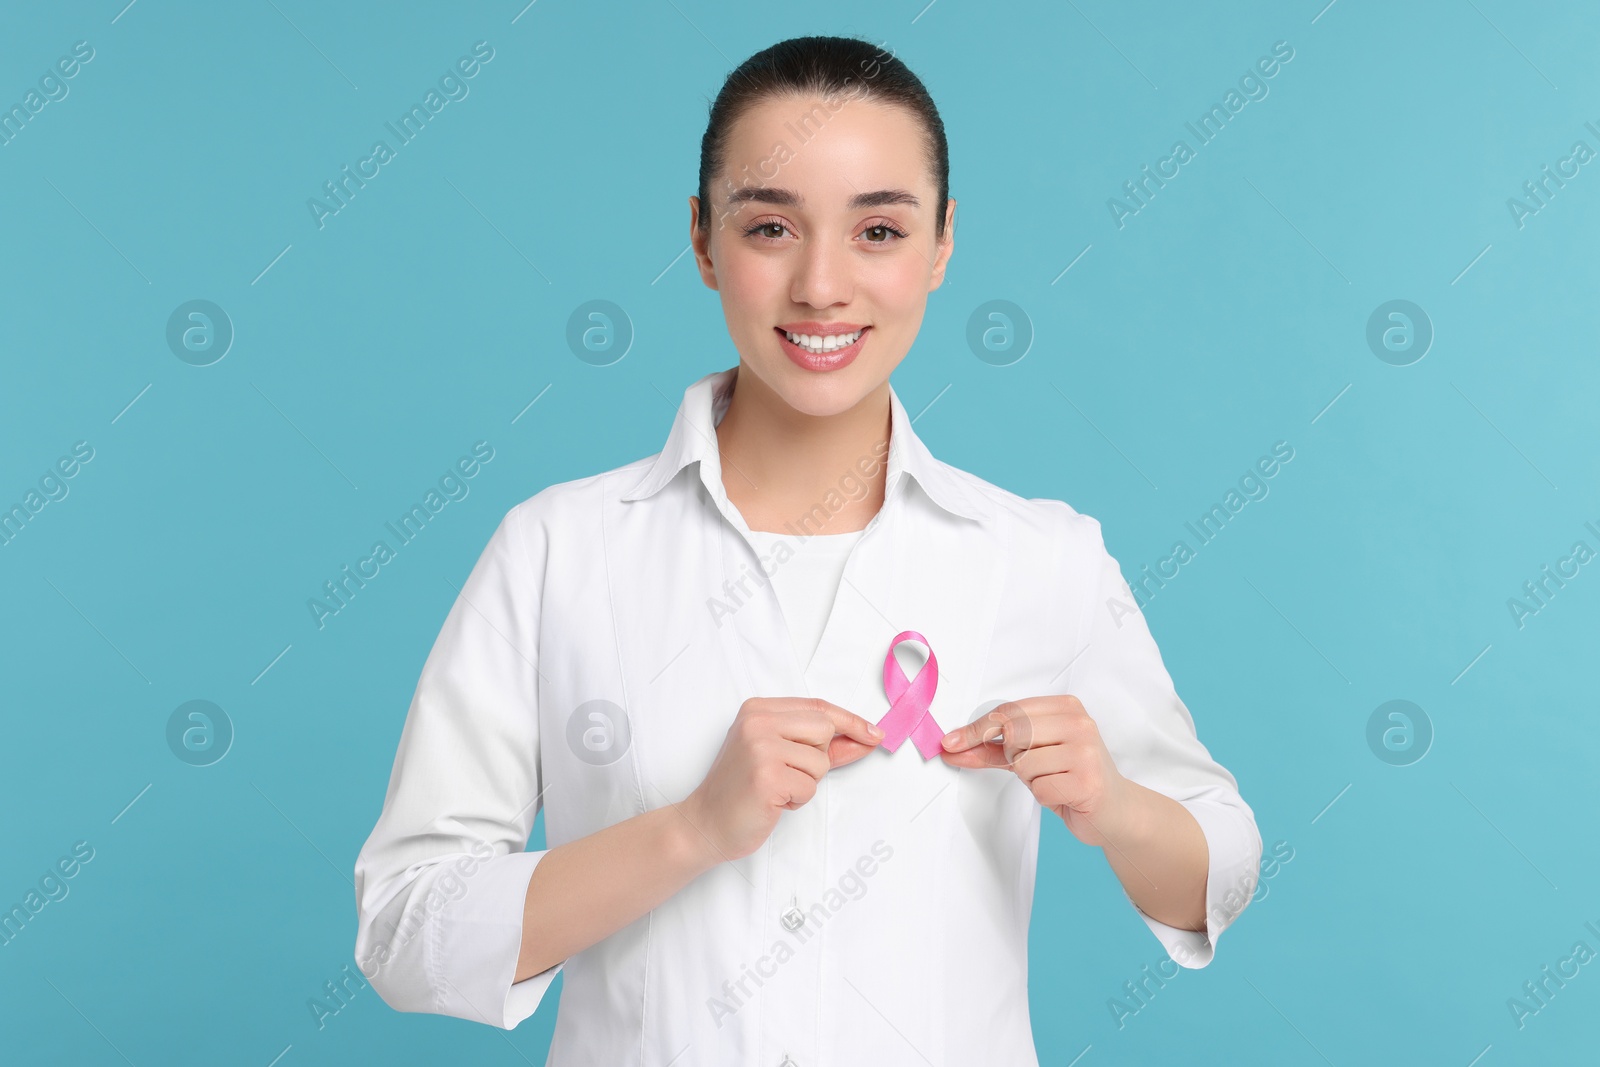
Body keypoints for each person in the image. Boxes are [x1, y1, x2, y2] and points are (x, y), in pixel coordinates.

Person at [353, 34, 1261, 1066]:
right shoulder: (560, 549)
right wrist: (689, 830)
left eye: (878, 228)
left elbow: (1219, 870)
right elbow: (403, 929)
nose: (822, 285)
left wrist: (1116, 804)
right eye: (771, 226)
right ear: (700, 241)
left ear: (942, 245)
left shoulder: (1040, 557)